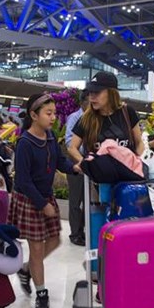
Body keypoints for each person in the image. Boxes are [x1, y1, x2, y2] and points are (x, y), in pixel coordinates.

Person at [8, 93, 81, 308]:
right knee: (37, 248)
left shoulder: (49, 137)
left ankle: (27, 270)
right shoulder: (25, 143)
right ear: (33, 115)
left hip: (45, 196)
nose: (53, 118)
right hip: (30, 200)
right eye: (48, 114)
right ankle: (41, 294)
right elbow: (23, 180)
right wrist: (42, 204)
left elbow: (59, 161)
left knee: (54, 240)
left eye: (54, 114)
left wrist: (76, 167)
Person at [68, 71, 144, 164]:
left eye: (97, 92)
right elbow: (72, 147)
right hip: (100, 176)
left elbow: (139, 143)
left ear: (111, 93)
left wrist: (137, 161)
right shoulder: (86, 118)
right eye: (90, 92)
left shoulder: (127, 112)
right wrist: (85, 164)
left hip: (128, 174)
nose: (92, 97)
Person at [64, 89, 89, 246]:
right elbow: (68, 142)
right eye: (89, 101)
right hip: (75, 161)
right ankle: (75, 233)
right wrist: (80, 159)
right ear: (83, 102)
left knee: (87, 199)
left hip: (89, 162)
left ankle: (83, 231)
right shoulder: (75, 117)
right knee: (76, 199)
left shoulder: (94, 118)